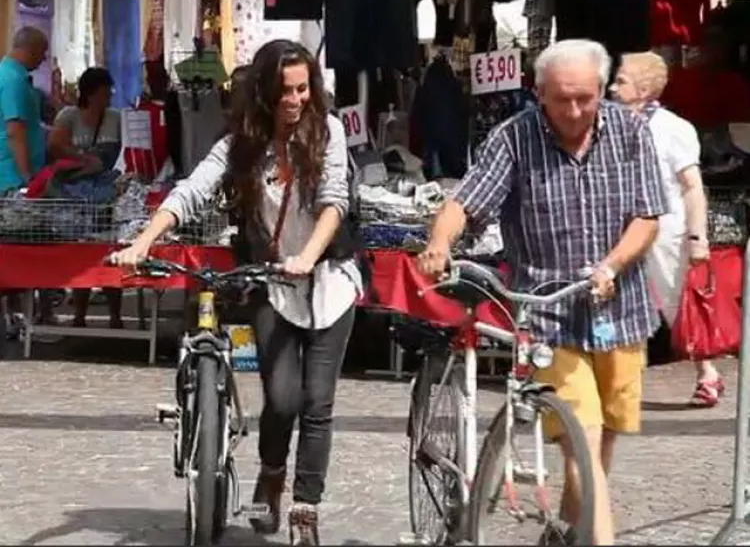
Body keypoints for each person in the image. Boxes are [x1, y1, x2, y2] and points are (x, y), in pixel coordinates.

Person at [417, 39, 667, 546]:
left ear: (601, 90)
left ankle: (578, 528)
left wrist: (612, 264)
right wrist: (439, 243)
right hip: (549, 315)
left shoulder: (631, 131)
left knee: (603, 442)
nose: (574, 111)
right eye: (561, 99)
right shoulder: (515, 138)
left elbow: (648, 216)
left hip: (622, 308)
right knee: (582, 444)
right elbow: (464, 201)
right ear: (539, 93)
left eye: (585, 98)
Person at [110, 39, 360, 545]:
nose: (296, 99)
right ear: (264, 94)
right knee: (284, 397)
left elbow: (335, 199)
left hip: (330, 280)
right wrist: (142, 240)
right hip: (270, 283)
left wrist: (309, 255)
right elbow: (192, 189)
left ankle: (305, 507)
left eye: (303, 88)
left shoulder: (328, 131)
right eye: (285, 90)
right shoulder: (240, 144)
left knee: (319, 401)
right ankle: (272, 475)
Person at [611, 51, 723, 407]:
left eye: (621, 81)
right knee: (619, 301)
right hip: (620, 226)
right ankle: (623, 378)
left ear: (644, 89)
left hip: (665, 227)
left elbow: (692, 186)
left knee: (676, 305)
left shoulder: (673, 129)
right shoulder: (607, 125)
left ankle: (707, 371)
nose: (612, 88)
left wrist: (697, 236)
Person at [48, 67, 124, 328]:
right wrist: (83, 159)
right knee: (82, 253)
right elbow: (56, 146)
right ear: (90, 94)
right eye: (104, 91)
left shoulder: (116, 118)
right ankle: (79, 314)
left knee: (110, 252)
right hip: (75, 195)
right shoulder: (68, 116)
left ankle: (116, 315)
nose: (109, 96)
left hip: (106, 195)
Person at [0, 27, 52, 332]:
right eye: (42, 52)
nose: (44, 58)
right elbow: (15, 129)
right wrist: (26, 175)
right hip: (10, 177)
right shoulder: (13, 80)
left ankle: (18, 315)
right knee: (17, 251)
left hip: (11, 175)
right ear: (30, 49)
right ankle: (19, 316)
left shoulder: (13, 77)